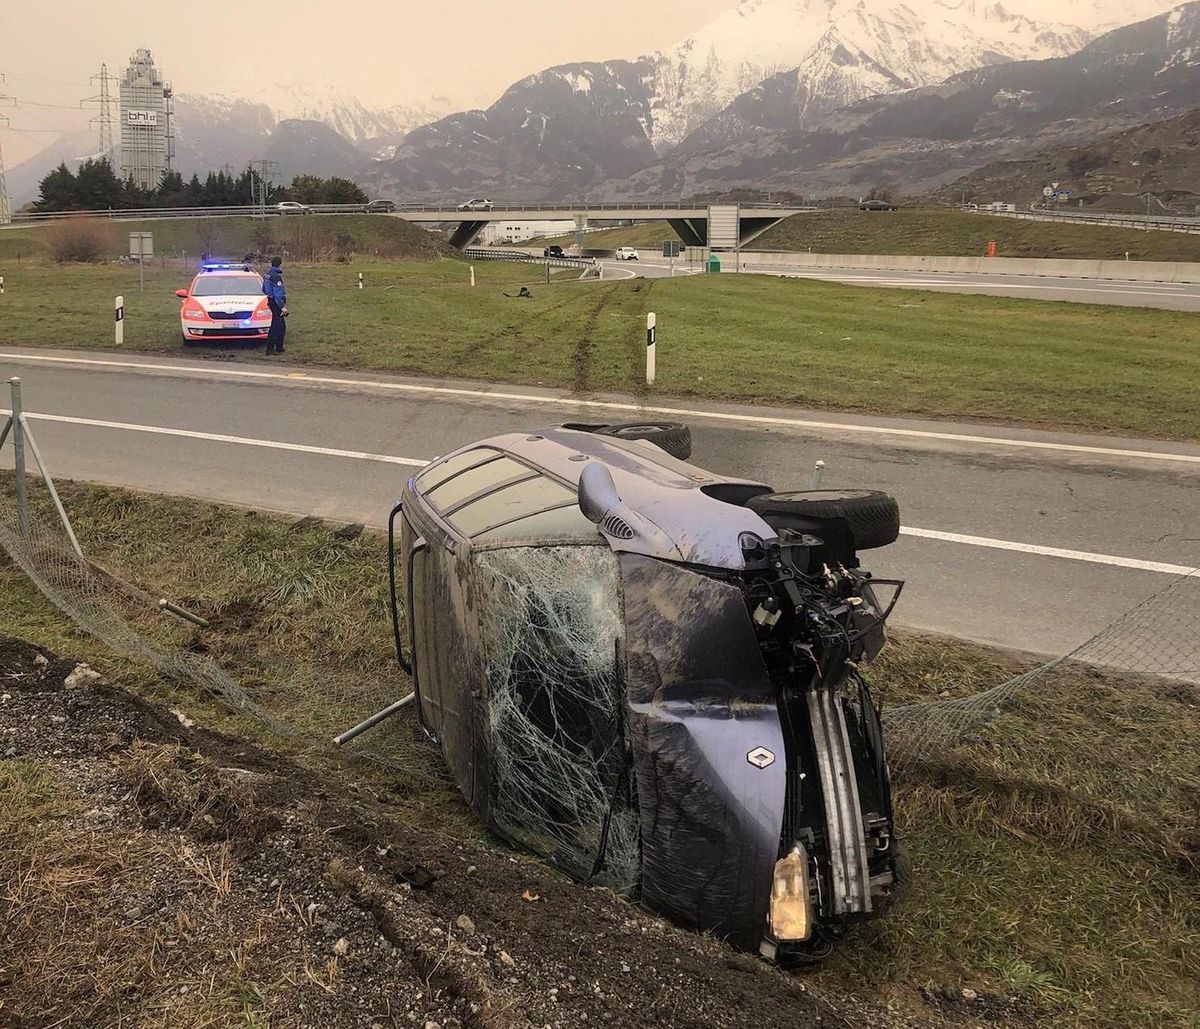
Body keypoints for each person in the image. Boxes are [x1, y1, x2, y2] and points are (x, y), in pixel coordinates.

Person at [263, 256, 288, 355]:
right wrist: (282, 306)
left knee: (281, 325)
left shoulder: (267, 275)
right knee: (276, 326)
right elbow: (278, 294)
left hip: (271, 300)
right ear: (279, 264)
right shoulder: (276, 277)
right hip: (276, 303)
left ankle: (279, 347)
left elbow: (264, 289)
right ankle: (270, 349)